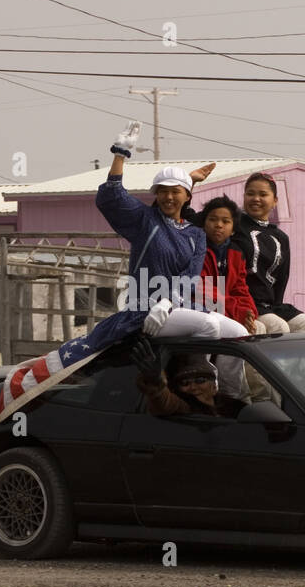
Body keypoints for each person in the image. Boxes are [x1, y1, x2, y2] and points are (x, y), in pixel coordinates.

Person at [98, 122, 251, 398]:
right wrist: (120, 153)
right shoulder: (145, 221)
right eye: (162, 190)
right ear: (156, 195)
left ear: (187, 195)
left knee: (239, 332)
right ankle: (199, 379)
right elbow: (112, 197)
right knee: (210, 325)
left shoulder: (195, 233)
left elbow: (191, 276)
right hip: (143, 309)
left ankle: (232, 398)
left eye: (175, 190)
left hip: (175, 306)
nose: (169, 196)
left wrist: (168, 302)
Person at [232, 171, 305, 334]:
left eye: (263, 194)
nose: (256, 199)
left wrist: (275, 304)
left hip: (270, 305)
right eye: (250, 194)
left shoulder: (281, 237)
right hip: (246, 302)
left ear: (275, 201)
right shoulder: (234, 226)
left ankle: (290, 360)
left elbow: (282, 278)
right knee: (278, 327)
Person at [130, 338, 245, 418]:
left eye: (200, 380)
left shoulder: (233, 407)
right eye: (185, 383)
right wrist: (155, 381)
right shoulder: (184, 408)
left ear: (214, 386)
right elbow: (164, 402)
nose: (193, 387)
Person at [197, 195, 259, 333]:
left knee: (257, 327)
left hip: (228, 310)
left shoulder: (236, 253)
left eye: (225, 221)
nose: (218, 225)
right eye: (212, 219)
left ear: (233, 230)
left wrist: (248, 312)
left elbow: (240, 288)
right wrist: (237, 312)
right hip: (202, 309)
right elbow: (202, 289)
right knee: (237, 331)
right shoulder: (197, 249)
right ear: (203, 223)